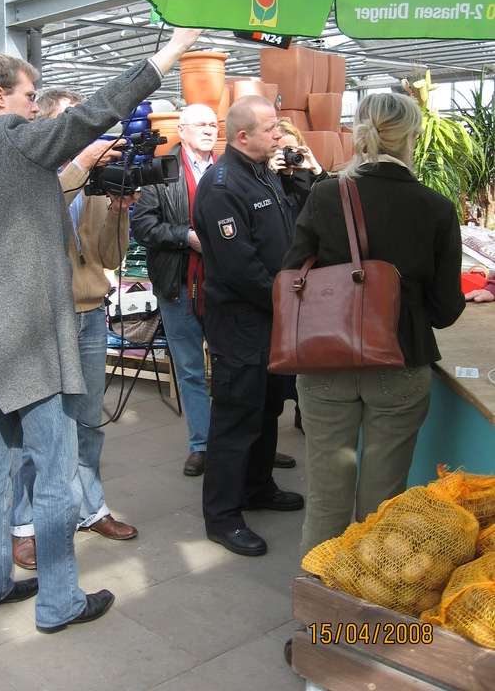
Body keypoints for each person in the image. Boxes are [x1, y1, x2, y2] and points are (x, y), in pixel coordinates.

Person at [0, 26, 201, 632]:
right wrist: (172, 50)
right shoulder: (19, 144)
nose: (33, 105)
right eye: (29, 95)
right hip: (29, 346)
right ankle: (59, 601)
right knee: (54, 465)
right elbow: (101, 108)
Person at [282, 92, 466, 560]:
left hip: (326, 365)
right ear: (413, 137)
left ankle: (315, 618)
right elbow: (445, 310)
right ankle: (365, 613)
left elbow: (289, 275)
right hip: (400, 363)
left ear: (358, 132)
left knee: (326, 497)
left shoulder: (325, 194)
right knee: (382, 505)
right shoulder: (437, 208)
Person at [11, 110, 138, 572]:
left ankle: (90, 507)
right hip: (43, 317)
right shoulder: (33, 175)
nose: (80, 134)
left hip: (88, 315)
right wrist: (81, 164)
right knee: (40, 427)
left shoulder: (96, 182)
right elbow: (38, 208)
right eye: (69, 125)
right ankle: (23, 525)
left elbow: (110, 256)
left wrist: (120, 214)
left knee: (88, 423)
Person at [192, 95, 304, 557]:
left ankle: (258, 488)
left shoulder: (264, 173)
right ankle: (222, 515)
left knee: (267, 407)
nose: (279, 135)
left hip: (270, 319)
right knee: (236, 417)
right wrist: (289, 303)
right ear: (243, 136)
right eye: (271, 128)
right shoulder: (222, 186)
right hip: (242, 323)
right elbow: (241, 269)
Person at [130, 103, 217, 477]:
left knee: (232, 366)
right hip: (177, 285)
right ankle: (201, 444)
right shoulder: (159, 172)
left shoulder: (228, 168)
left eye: (213, 124)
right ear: (181, 130)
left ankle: (237, 440)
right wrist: (186, 237)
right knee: (190, 369)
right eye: (200, 124)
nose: (209, 130)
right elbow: (143, 226)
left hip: (223, 285)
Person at [268, 118, 328, 435]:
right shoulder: (266, 180)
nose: (289, 156)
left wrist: (315, 168)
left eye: (292, 149)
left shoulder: (308, 178)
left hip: (310, 277)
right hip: (279, 275)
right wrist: (272, 170)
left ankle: (305, 414)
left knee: (308, 349)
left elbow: (331, 207)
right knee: (283, 350)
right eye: (282, 151)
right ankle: (279, 411)